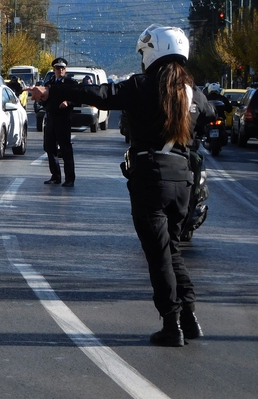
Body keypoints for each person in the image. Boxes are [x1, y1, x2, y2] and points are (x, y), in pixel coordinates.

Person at [29, 24, 217, 347]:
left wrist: (57, 89)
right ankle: (190, 317)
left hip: (151, 178)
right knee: (171, 247)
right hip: (182, 181)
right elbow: (210, 113)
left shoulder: (142, 86)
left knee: (158, 253)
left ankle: (172, 324)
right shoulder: (192, 93)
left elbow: (100, 96)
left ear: (153, 53)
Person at [40, 57, 77, 187]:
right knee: (50, 148)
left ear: (65, 70)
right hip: (50, 119)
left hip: (63, 119)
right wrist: (41, 98)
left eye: (62, 68)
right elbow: (42, 100)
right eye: (57, 68)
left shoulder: (70, 83)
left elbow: (77, 98)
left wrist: (68, 102)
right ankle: (55, 176)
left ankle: (69, 178)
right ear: (54, 69)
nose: (60, 70)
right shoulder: (49, 84)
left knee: (66, 149)